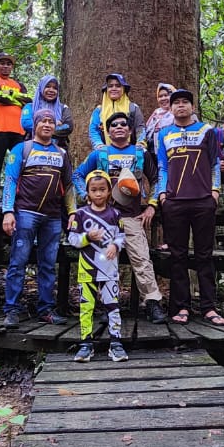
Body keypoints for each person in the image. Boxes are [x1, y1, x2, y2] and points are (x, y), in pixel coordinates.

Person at [73, 111, 168, 325]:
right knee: (103, 261)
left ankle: (152, 303)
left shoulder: (140, 153)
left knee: (142, 260)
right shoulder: (100, 154)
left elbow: (156, 178)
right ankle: (103, 305)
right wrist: (84, 194)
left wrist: (152, 205)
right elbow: (77, 175)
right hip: (104, 219)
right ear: (107, 131)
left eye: (123, 124)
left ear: (130, 130)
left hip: (132, 217)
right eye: (113, 125)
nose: (118, 127)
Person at [152, 89, 224, 327]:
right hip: (174, 202)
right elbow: (162, 167)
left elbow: (215, 162)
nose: (180, 106)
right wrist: (163, 193)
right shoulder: (164, 134)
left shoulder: (207, 131)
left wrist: (215, 191)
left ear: (192, 107)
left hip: (203, 199)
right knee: (178, 256)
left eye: (185, 102)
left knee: (205, 255)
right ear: (170, 108)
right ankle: (181, 306)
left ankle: (209, 307)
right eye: (176, 103)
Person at [1, 108, 76, 329]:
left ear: (55, 127)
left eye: (51, 122)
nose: (47, 125)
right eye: (43, 121)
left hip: (52, 217)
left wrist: (72, 213)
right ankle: (12, 309)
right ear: (35, 124)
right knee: (18, 261)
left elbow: (69, 185)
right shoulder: (21, 149)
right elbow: (11, 180)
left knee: (48, 264)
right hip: (25, 213)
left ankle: (46, 309)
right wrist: (8, 211)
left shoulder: (61, 153)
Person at [68, 170, 129, 362]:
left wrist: (115, 245)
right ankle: (86, 344)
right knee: (86, 307)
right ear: (87, 192)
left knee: (112, 306)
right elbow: (72, 238)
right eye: (94, 190)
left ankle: (116, 343)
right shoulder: (79, 214)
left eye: (102, 189)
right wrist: (87, 237)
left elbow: (122, 236)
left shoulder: (115, 214)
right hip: (87, 269)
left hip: (109, 270)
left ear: (109, 191)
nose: (98, 194)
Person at [0, 52, 28, 209]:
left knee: (22, 163)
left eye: (9, 64)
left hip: (18, 131)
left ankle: (20, 196)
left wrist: (12, 94)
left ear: (12, 67)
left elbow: (28, 101)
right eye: (2, 63)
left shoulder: (18, 84)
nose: (5, 66)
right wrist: (17, 99)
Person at [87, 73, 145, 149]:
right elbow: (93, 130)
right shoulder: (99, 110)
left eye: (118, 86)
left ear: (123, 89)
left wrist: (140, 143)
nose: (114, 88)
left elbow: (140, 128)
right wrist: (99, 145)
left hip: (131, 153)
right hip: (104, 154)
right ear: (106, 89)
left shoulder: (133, 108)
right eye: (110, 86)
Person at [21, 75, 74, 148]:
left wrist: (40, 126)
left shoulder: (63, 108)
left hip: (58, 149)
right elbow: (26, 124)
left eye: (55, 88)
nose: (51, 90)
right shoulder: (30, 107)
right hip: (33, 148)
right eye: (48, 86)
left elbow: (68, 127)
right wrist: (54, 123)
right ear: (41, 88)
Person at [142, 82, 176, 147]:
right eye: (160, 96)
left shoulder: (177, 113)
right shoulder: (156, 113)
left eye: (166, 95)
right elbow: (147, 130)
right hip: (153, 150)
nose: (163, 98)